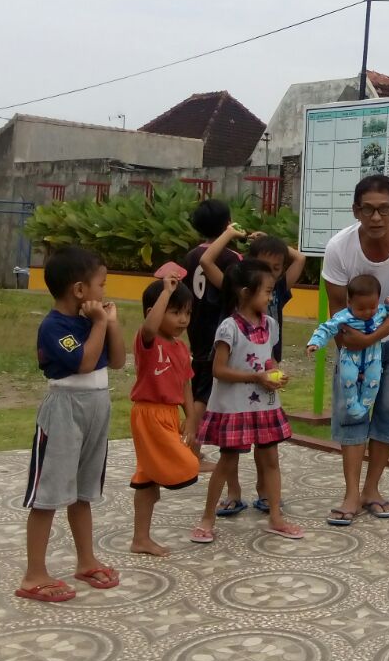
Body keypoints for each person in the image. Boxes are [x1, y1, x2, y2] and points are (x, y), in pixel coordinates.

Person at [16, 246, 125, 602]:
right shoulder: (54, 326)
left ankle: (86, 559)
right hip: (65, 409)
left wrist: (111, 323)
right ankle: (34, 574)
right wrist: (97, 324)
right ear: (79, 290)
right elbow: (83, 362)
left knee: (83, 490)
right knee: (48, 493)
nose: (104, 293)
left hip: (97, 406)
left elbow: (120, 360)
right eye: (101, 285)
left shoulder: (90, 322)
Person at [320, 175, 389, 526]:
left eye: (384, 209)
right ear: (356, 210)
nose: (376, 217)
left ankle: (372, 488)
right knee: (352, 410)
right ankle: (351, 492)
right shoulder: (339, 246)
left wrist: (373, 338)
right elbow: (336, 305)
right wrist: (353, 346)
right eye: (368, 209)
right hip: (352, 340)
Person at [190, 260, 302, 543]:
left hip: (264, 405)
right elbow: (219, 370)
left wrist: (276, 374)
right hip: (235, 407)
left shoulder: (270, 325)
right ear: (244, 293)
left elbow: (269, 360)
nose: (271, 297)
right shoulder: (229, 328)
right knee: (227, 461)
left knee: (271, 460)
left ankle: (276, 517)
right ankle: (207, 518)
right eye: (266, 291)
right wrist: (257, 377)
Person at [129, 275, 199, 556]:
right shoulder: (147, 340)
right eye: (175, 312)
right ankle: (211, 468)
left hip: (169, 414)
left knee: (148, 482)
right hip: (148, 414)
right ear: (155, 312)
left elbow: (186, 384)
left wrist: (191, 418)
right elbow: (149, 325)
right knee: (187, 465)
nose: (183, 320)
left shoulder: (181, 348)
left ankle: (140, 539)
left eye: (187, 313)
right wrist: (166, 291)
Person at [184, 199, 242, 509]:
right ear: (227, 223)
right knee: (207, 393)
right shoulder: (231, 256)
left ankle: (192, 446)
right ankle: (192, 448)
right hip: (219, 329)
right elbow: (233, 293)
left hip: (196, 327)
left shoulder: (192, 255)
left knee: (200, 386)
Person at [306, 275, 389, 421]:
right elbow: (327, 328)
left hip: (373, 356)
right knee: (348, 378)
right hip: (350, 357)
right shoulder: (344, 317)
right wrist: (315, 342)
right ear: (349, 303)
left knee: (373, 380)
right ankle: (352, 405)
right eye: (361, 308)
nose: (367, 312)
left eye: (372, 307)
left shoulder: (380, 311)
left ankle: (364, 406)